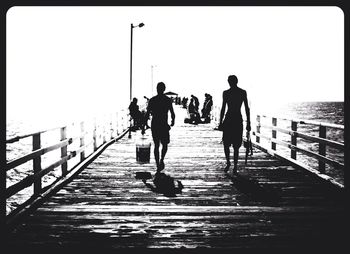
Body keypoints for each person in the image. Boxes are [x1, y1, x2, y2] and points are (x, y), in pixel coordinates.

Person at [218, 75, 251, 174]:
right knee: (235, 145)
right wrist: (248, 122)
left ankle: (229, 163)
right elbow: (246, 108)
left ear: (229, 82)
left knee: (227, 144)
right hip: (237, 119)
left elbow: (223, 108)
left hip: (229, 119)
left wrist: (220, 122)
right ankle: (234, 165)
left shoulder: (226, 93)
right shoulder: (242, 92)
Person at [145, 82, 175, 172]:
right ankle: (162, 159)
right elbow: (172, 113)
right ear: (164, 89)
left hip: (155, 124)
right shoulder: (167, 100)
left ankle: (158, 163)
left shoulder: (152, 100)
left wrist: (144, 125)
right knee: (165, 144)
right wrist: (172, 121)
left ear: (157, 89)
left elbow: (147, 114)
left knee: (156, 145)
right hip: (163, 125)